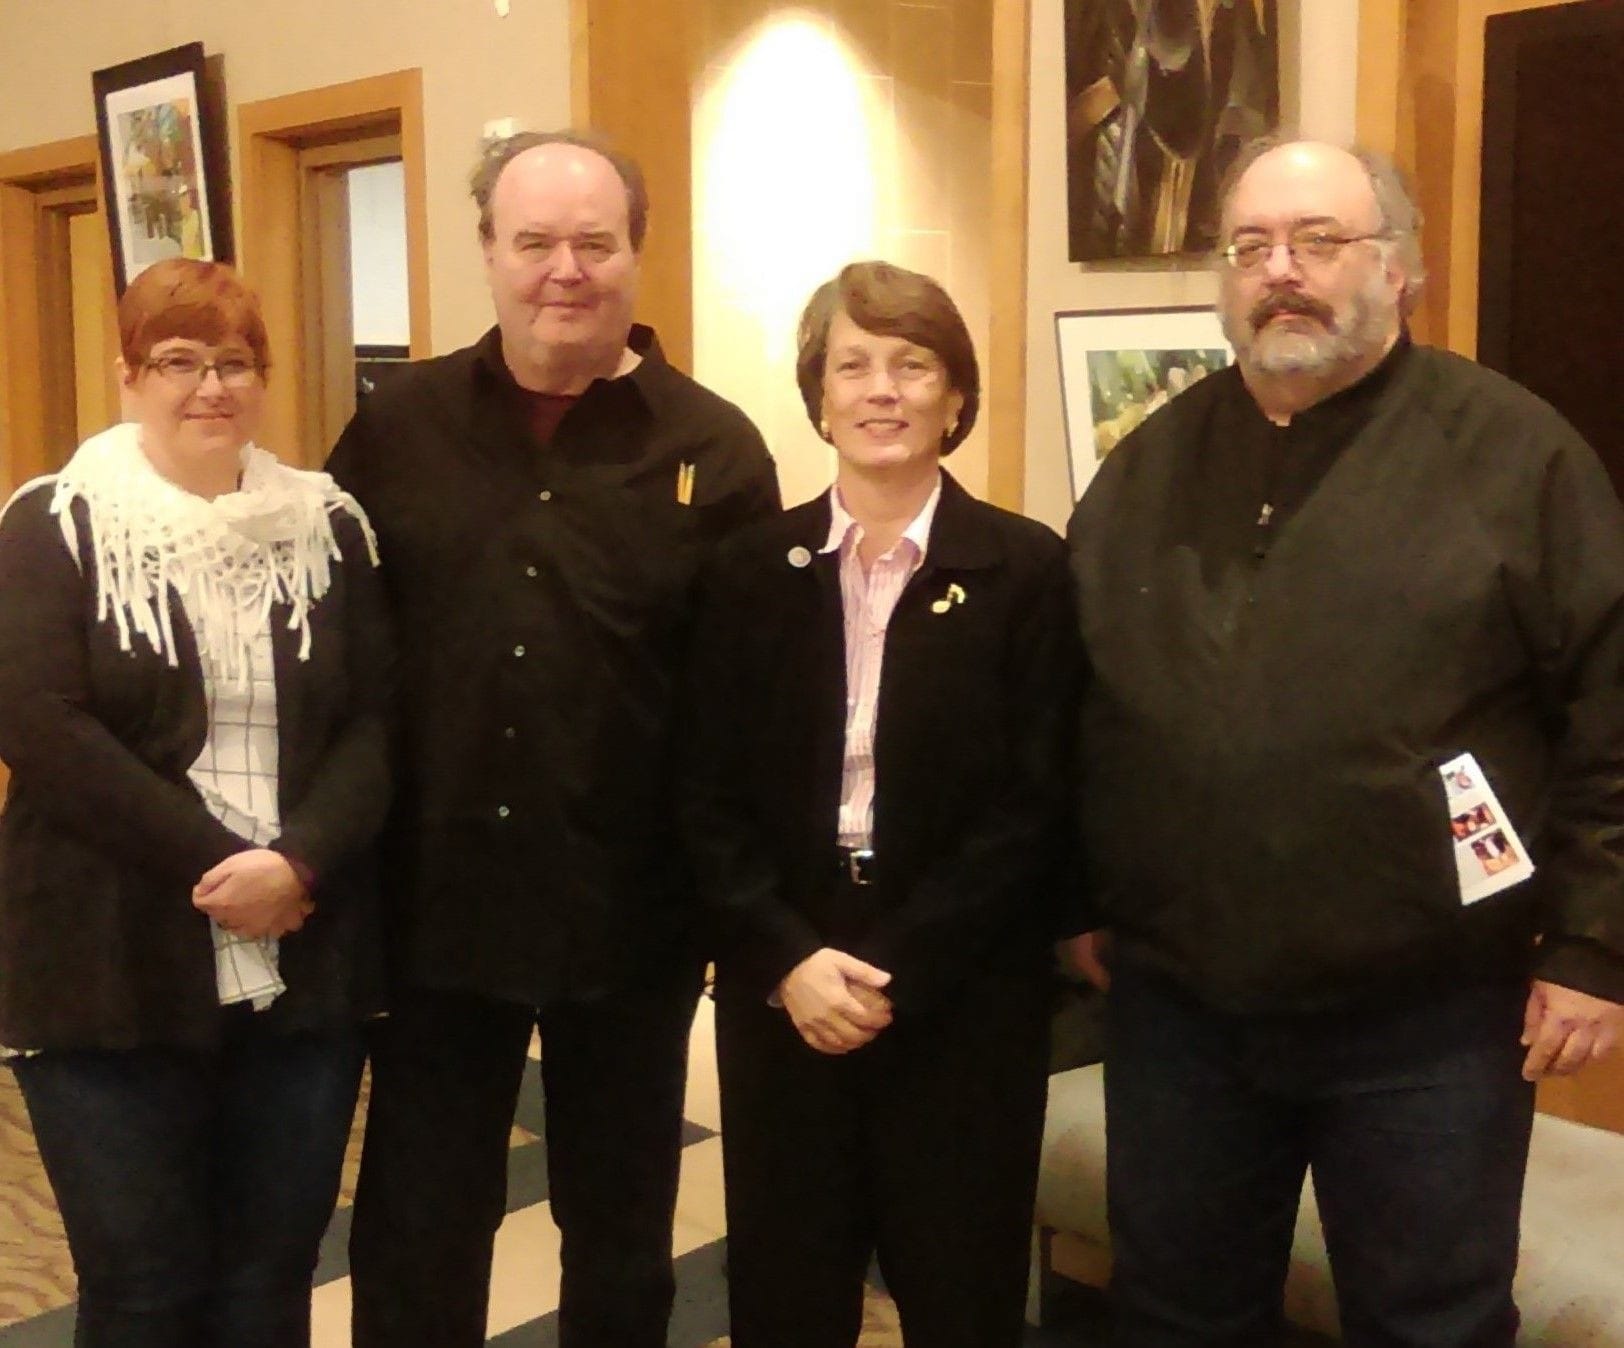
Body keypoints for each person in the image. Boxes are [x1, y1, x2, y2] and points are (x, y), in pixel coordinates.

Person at [1067, 137, 1624, 1346]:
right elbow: (1080, 704)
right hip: (1182, 1012)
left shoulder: (1516, 456)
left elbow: (1610, 707)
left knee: (1430, 1321)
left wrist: (1589, 946)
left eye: (1317, 241)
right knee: (1174, 1315)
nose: (1281, 272)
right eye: (1251, 246)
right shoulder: (1150, 466)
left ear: (1399, 268)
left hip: (1425, 1018)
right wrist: (1079, 893)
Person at [328, 130, 779, 1348]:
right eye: (534, 242)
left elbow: (746, 708)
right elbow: (338, 664)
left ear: (636, 253)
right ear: (488, 252)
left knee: (623, 1240)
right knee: (419, 1233)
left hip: (630, 916)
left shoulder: (716, 449)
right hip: (434, 912)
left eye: (594, 241)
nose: (564, 270)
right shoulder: (395, 429)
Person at [684, 261, 1079, 1347]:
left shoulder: (1026, 569)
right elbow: (703, 793)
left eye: (914, 364)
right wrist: (788, 958)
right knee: (785, 1289)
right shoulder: (748, 570)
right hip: (785, 989)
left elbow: (1036, 807)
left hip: (961, 999)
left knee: (962, 1292)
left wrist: (894, 970)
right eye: (852, 364)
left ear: (956, 398)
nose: (882, 389)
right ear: (818, 396)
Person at [0, 257, 390, 1347]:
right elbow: (41, 727)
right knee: (142, 1285)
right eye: (179, 360)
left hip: (301, 964)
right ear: (129, 374)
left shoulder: (329, 527)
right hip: (105, 965)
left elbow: (375, 724)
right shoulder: (56, 525)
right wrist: (226, 868)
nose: (210, 385)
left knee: (270, 1279)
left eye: (234, 361)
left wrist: (299, 865)